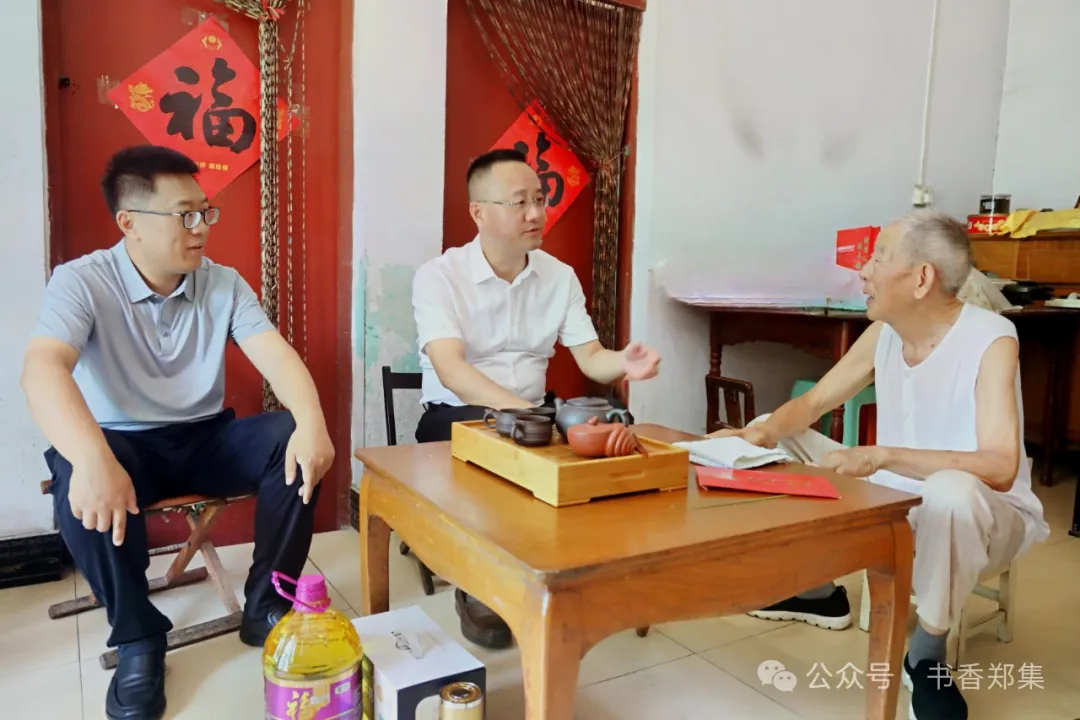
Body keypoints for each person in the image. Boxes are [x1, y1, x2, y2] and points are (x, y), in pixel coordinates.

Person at [21, 146, 335, 720]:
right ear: (130, 223)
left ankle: (267, 605)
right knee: (77, 473)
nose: (201, 228)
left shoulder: (223, 283)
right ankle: (139, 638)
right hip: (124, 445)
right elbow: (42, 368)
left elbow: (275, 355)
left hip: (204, 439)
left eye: (204, 212)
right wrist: (91, 458)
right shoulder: (83, 281)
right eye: (184, 215)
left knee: (291, 436)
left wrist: (313, 423)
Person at [711, 210, 1049, 720]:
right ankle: (818, 591)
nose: (863, 270)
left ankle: (926, 655)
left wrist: (882, 455)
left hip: (983, 512)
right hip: (894, 494)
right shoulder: (885, 332)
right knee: (774, 441)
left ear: (921, 278)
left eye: (878, 258)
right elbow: (813, 403)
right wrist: (751, 435)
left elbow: (1000, 466)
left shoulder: (991, 337)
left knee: (950, 492)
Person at [411, 148, 661, 648]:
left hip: (535, 412)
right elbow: (452, 371)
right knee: (508, 448)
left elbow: (591, 357)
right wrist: (531, 415)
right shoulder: (439, 276)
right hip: (456, 415)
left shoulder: (558, 276)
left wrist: (623, 362)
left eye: (540, 199)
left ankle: (592, 571)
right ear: (479, 212)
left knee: (615, 435)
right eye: (518, 202)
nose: (535, 213)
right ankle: (479, 585)